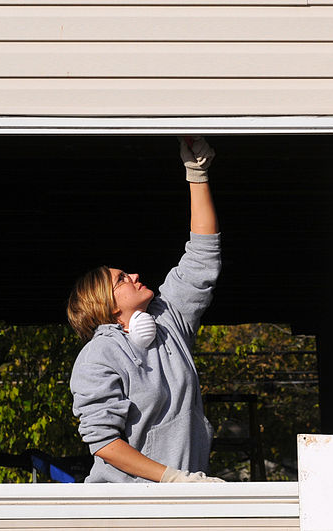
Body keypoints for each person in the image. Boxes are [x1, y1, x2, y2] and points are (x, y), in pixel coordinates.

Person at [66, 137, 224, 483]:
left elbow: (202, 257)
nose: (135, 275)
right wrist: (172, 479)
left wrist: (197, 175)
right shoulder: (98, 356)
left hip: (182, 498)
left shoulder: (168, 322)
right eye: (122, 279)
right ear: (105, 305)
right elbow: (104, 442)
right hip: (129, 507)